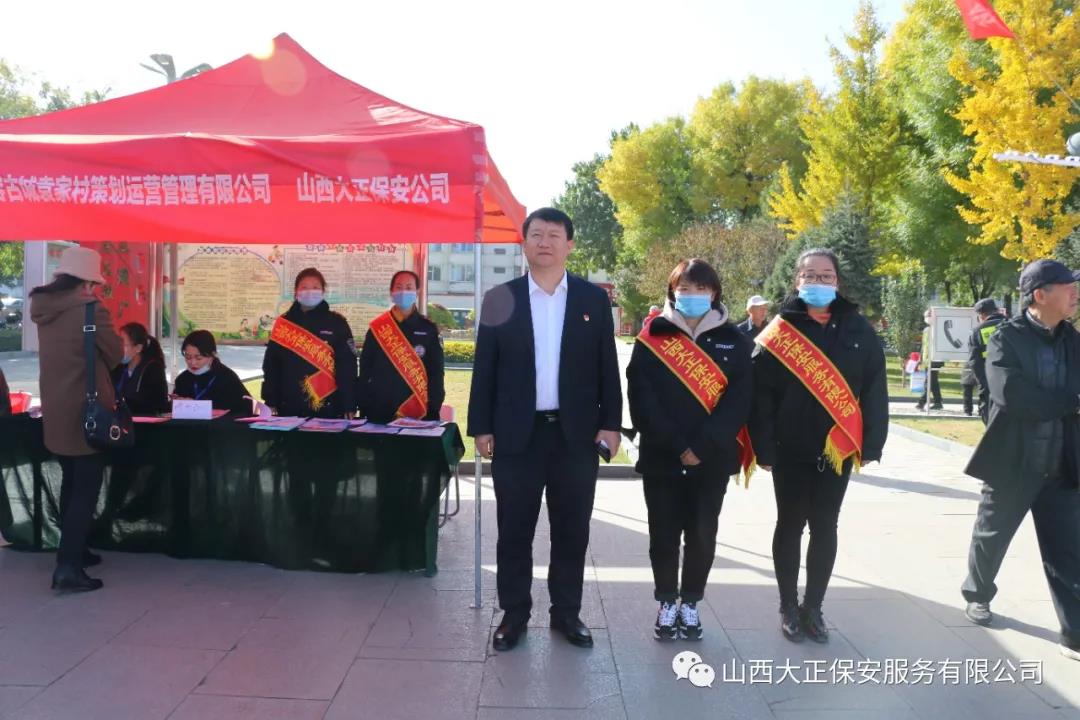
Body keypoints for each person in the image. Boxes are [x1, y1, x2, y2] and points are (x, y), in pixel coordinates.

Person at [468, 207, 622, 652]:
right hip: (517, 434)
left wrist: (611, 423)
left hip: (576, 436)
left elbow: (607, 367)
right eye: (536, 234)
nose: (545, 242)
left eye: (554, 235)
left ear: (569, 245)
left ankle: (566, 613)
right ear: (524, 243)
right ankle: (514, 614)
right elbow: (485, 367)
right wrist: (481, 426)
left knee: (572, 529)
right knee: (514, 529)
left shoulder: (592, 300)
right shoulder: (501, 298)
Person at [749, 247, 888, 643]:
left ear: (837, 282)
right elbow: (760, 396)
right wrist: (764, 447)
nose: (818, 282)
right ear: (797, 281)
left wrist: (872, 443)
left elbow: (875, 389)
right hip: (789, 446)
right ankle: (787, 606)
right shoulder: (779, 331)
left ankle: (813, 608)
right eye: (810, 275)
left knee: (826, 525)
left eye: (826, 276)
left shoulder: (858, 330)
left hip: (836, 448)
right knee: (790, 524)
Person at [627, 258, 753, 641]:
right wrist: (678, 444)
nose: (692, 295)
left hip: (712, 459)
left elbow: (740, 401)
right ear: (672, 292)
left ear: (714, 293)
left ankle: (691, 603)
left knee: (702, 534)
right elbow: (641, 397)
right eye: (684, 288)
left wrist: (701, 445)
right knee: (663, 534)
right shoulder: (652, 337)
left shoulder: (735, 340)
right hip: (662, 456)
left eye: (701, 288)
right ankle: (667, 602)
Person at [961, 259, 1080, 662]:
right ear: (1040, 295)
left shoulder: (1073, 340)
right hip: (1014, 461)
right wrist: (1070, 402)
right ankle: (977, 594)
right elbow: (1012, 395)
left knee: (1069, 551)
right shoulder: (1004, 338)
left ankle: (1074, 632)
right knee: (991, 536)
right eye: (1067, 286)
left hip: (1062, 463)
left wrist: (1065, 402)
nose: (1075, 293)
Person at [29, 246, 122, 593]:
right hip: (87, 413)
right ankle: (67, 567)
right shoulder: (91, 309)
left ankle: (75, 549)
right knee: (85, 490)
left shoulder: (43, 308)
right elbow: (115, 354)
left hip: (56, 410)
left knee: (71, 482)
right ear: (87, 282)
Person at [262, 268, 356, 418]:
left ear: (323, 291)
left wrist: (349, 403)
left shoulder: (337, 323)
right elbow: (271, 366)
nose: (310, 291)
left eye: (315, 287)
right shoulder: (283, 324)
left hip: (328, 407)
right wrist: (270, 400)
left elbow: (347, 366)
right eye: (304, 287)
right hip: (288, 407)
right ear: (296, 291)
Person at [357, 270, 445, 423]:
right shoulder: (378, 328)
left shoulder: (428, 329)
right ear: (391, 292)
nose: (404, 291)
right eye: (398, 287)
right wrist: (364, 404)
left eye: (409, 287)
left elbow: (436, 372)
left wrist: (433, 406)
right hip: (379, 409)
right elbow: (365, 369)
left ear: (417, 292)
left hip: (419, 410)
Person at [173, 330, 251, 415]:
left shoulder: (227, 378)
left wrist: (200, 407)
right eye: (188, 357)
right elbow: (172, 411)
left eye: (198, 358)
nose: (193, 363)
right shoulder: (182, 379)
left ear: (212, 355)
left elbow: (247, 409)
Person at [111, 322, 169, 416]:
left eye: (123, 344)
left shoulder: (153, 369)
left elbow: (159, 404)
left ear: (138, 348)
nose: (118, 348)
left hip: (143, 422)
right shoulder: (117, 368)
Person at [967, 298, 1006, 425]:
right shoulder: (1012, 325)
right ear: (996, 310)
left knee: (991, 420)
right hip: (1014, 383)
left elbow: (975, 362)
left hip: (990, 384)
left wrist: (983, 383)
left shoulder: (977, 331)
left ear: (981, 315)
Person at [916, 309, 944, 410]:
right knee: (933, 382)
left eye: (928, 316)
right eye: (926, 316)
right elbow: (924, 345)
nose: (927, 318)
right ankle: (938, 402)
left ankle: (921, 402)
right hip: (927, 360)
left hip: (935, 359)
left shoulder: (939, 329)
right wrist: (920, 358)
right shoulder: (926, 330)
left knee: (929, 382)